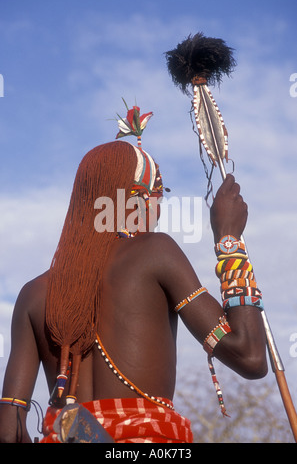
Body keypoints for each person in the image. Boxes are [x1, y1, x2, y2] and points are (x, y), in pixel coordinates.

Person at [0, 139, 267, 443]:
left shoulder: (33, 295)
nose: (160, 208)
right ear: (136, 199)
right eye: (159, 194)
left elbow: (9, 429)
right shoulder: (156, 253)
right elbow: (250, 357)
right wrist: (229, 240)